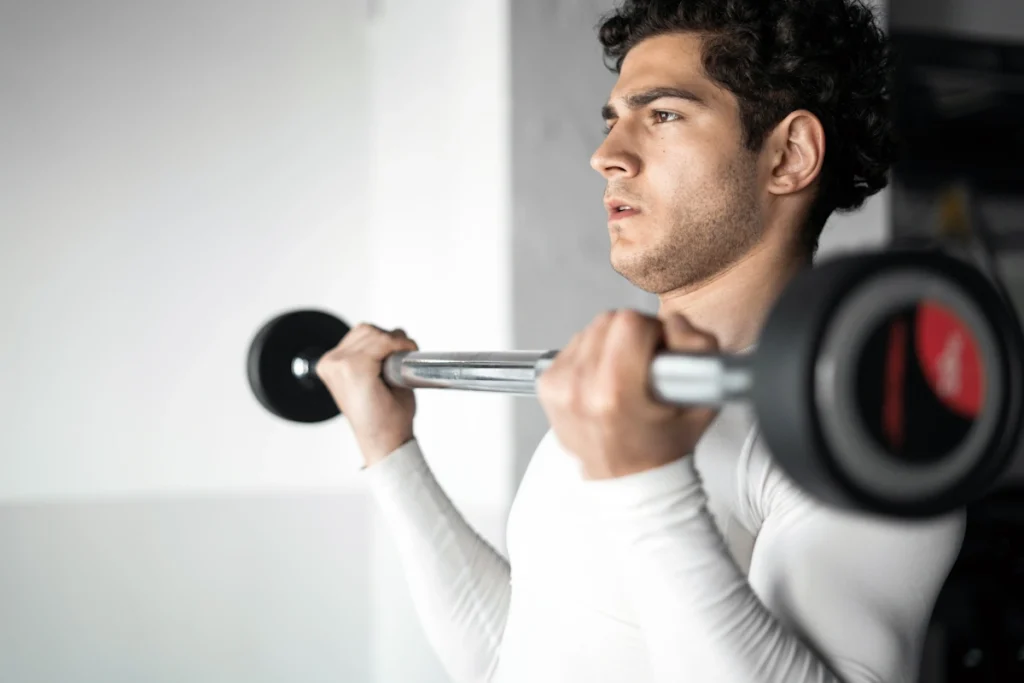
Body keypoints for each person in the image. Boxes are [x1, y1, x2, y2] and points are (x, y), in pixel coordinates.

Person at [316, 1, 965, 681]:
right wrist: (389, 450)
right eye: (614, 121)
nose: (606, 156)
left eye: (662, 115)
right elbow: (506, 654)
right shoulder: (618, 397)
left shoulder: (873, 433)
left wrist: (648, 480)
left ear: (788, 155)